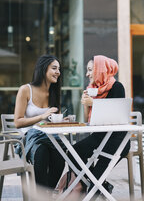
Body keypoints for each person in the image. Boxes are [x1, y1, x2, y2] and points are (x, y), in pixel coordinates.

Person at [68, 55, 130, 195]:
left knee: (99, 168)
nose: (87, 74)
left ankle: (94, 188)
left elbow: (116, 115)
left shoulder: (117, 87)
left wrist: (93, 103)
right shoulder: (92, 89)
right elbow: (88, 120)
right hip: (98, 136)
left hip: (117, 139)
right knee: (73, 152)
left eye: (90, 70)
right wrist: (85, 104)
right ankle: (100, 185)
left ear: (100, 70)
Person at [14, 55, 65, 190]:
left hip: (49, 138)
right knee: (42, 153)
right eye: (54, 68)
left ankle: (44, 195)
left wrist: (61, 121)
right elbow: (17, 122)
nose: (58, 72)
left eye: (59, 69)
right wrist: (42, 116)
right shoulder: (25, 90)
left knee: (60, 156)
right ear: (43, 69)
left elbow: (52, 120)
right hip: (29, 140)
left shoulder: (54, 92)